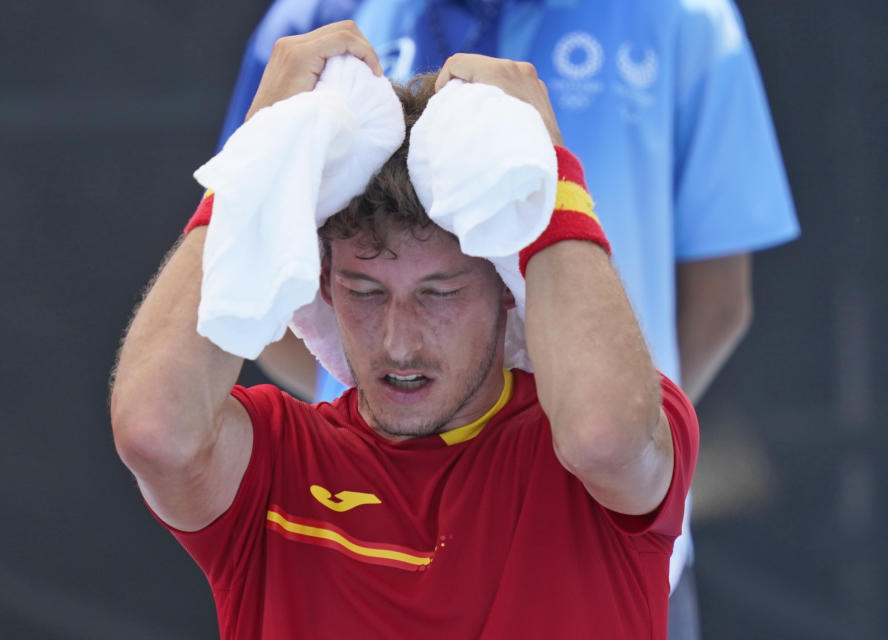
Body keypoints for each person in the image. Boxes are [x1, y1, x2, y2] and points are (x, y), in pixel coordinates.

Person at [216, 2, 801, 637]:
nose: (401, 334)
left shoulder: (687, 18)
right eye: (363, 292)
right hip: (363, 529)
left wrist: (621, 447)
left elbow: (717, 300)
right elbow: (255, 277)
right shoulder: (308, 21)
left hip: (600, 508)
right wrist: (390, 418)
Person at [111, 22, 698, 639]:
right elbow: (155, 433)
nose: (398, 342)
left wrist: (547, 171)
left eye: (438, 294)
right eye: (363, 293)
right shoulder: (280, 458)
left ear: (507, 288)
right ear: (323, 283)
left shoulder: (597, 448)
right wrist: (257, 159)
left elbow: (604, 436)